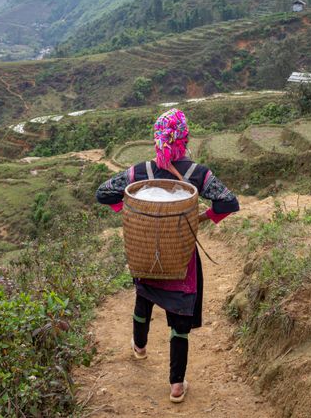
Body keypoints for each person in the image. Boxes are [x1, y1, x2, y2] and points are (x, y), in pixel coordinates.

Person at [95, 108, 239, 403]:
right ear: (184, 138)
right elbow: (229, 202)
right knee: (180, 317)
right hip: (180, 259)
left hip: (145, 254)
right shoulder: (197, 174)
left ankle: (139, 347)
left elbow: (104, 193)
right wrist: (204, 217)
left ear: (157, 139)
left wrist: (135, 216)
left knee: (143, 295)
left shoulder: (140, 172)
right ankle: (176, 385)